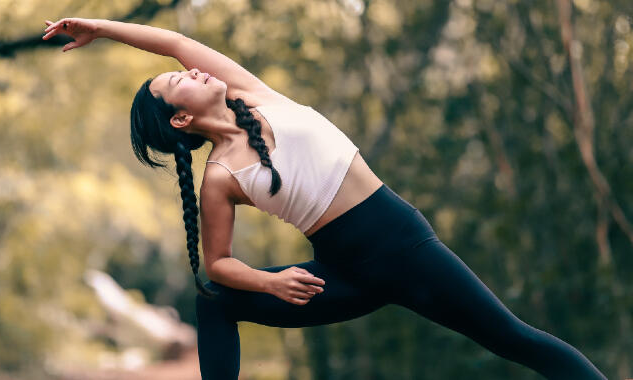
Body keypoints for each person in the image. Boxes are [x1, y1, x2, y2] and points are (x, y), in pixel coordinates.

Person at [41, 18, 608, 380]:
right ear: (183, 117)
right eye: (176, 84)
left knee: (515, 339)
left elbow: (175, 42)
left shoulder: (253, 95)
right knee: (213, 298)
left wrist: (101, 28)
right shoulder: (220, 177)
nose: (187, 69)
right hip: (340, 274)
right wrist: (269, 282)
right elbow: (217, 263)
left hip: (403, 244)